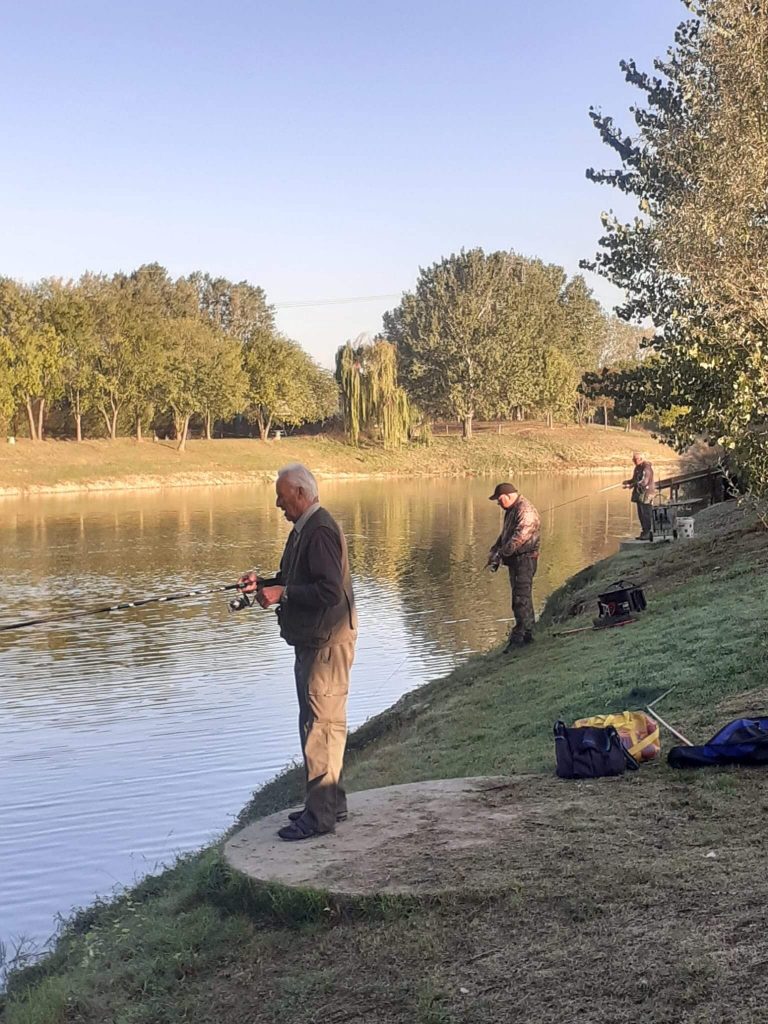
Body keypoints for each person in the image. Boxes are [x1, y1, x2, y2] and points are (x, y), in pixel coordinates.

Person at [239, 463, 357, 842]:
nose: (277, 504)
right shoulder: (305, 529)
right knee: (321, 724)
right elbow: (297, 578)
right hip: (315, 641)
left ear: (301, 495)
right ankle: (329, 804)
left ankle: (319, 817)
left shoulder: (319, 530)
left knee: (320, 728)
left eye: (282, 496)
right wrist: (267, 584)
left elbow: (329, 591)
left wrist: (284, 594)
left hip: (326, 644)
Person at [486, 483, 541, 654]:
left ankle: (522, 636)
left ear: (509, 496)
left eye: (499, 499)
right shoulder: (512, 510)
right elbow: (506, 535)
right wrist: (495, 549)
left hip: (525, 560)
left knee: (521, 597)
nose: (498, 503)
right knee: (520, 596)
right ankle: (527, 634)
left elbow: (519, 538)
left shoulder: (526, 511)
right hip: (516, 560)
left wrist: (501, 554)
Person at [623, 452, 655, 540]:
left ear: (641, 459)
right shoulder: (637, 468)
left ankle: (648, 533)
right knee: (640, 514)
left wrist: (631, 485)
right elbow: (634, 479)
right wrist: (628, 482)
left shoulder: (646, 468)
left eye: (635, 459)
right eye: (633, 459)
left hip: (647, 494)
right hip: (639, 494)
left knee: (646, 513)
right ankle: (644, 532)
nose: (633, 461)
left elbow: (644, 482)